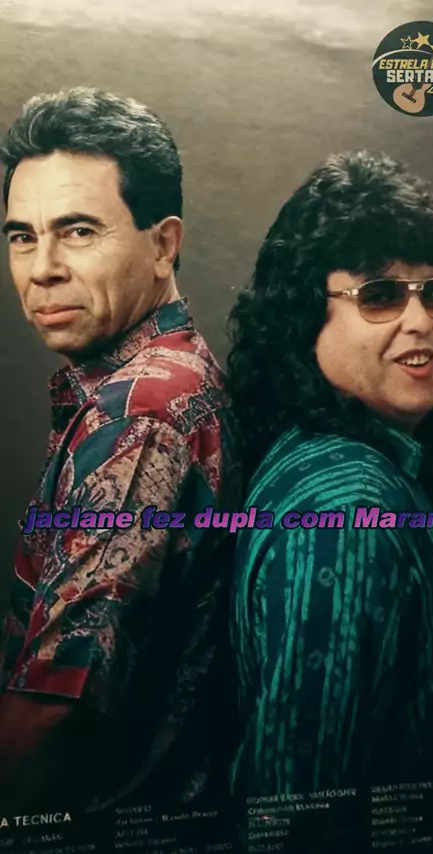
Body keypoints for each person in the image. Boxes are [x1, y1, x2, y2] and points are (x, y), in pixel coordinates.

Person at [0, 87, 240, 813]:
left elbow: (55, 710)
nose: (41, 268)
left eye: (77, 231)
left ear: (163, 244)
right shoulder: (168, 375)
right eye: (21, 236)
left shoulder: (141, 413)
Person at [225, 151, 433, 802]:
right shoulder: (347, 514)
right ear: (306, 316)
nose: (421, 322)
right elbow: (294, 814)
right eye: (381, 295)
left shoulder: (347, 461)